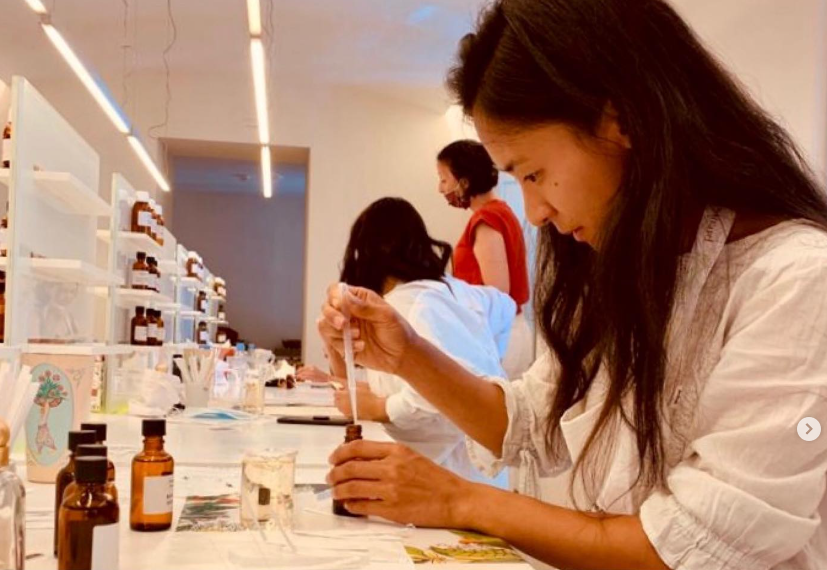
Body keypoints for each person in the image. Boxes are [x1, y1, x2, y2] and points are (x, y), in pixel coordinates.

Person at [319, 1, 827, 568]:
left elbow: (691, 547)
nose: (535, 212)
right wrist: (406, 353)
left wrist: (460, 499)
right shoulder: (626, 264)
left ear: (621, 118)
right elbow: (531, 422)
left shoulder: (797, 280)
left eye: (533, 173)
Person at [325, 197, 516, 485]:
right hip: (486, 470)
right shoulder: (457, 290)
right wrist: (492, 353)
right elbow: (506, 305)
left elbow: (435, 394)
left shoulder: (405, 304)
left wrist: (380, 407)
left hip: (446, 474)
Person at [437, 139, 533, 377]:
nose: (440, 189)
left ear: (464, 182)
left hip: (499, 337)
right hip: (508, 333)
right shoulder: (501, 212)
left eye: (444, 179)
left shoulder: (486, 219)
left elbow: (497, 293)